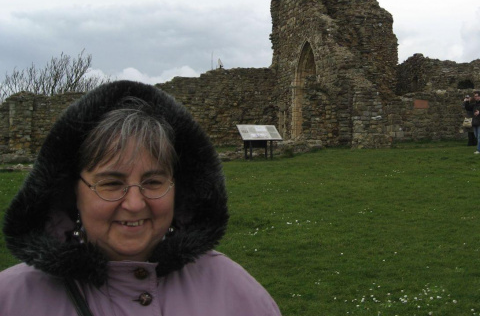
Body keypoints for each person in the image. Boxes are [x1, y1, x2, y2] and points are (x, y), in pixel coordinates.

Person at [0, 80, 281, 316]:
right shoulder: (12, 300)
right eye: (111, 183)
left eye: (153, 182)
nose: (134, 204)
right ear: (72, 191)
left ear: (177, 188)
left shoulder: (236, 294)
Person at [463, 90, 480, 154]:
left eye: (476, 96)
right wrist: (467, 102)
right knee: (477, 136)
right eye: (474, 96)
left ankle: (479, 150)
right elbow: (468, 108)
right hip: (475, 122)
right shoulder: (475, 104)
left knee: (479, 136)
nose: (475, 97)